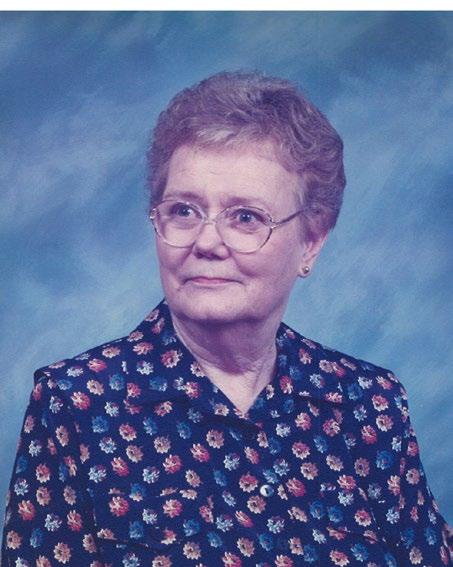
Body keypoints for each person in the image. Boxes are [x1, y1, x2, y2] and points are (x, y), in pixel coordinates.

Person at [1, 71, 451, 567]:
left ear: (311, 241)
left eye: (246, 217)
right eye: (184, 211)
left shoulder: (367, 403)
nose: (207, 242)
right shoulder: (77, 404)